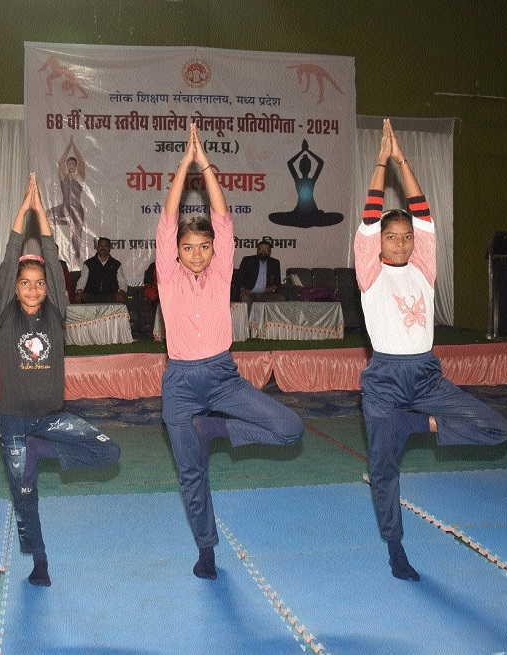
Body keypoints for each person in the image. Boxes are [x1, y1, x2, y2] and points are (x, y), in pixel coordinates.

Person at [356, 119, 507, 581]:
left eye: (406, 238)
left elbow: (423, 213)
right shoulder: (370, 273)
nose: (401, 243)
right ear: (379, 243)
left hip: (425, 377)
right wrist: (382, 163)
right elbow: (369, 216)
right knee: (382, 470)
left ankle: (417, 422)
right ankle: (396, 548)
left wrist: (403, 160)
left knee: (496, 429)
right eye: (391, 237)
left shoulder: (424, 268)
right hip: (383, 379)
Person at [157, 124, 305, 579]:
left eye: (204, 247)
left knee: (290, 428)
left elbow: (222, 217)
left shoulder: (222, 271)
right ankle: (206, 549)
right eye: (189, 247)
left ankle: (217, 432)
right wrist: (185, 166)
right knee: (191, 475)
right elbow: (168, 217)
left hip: (222, 378)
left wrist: (207, 168)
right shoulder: (168, 272)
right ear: (176, 252)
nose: (198, 254)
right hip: (180, 384)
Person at [0, 173, 121, 587]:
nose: (32, 289)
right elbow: (13, 252)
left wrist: (40, 217)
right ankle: (40, 561)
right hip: (14, 422)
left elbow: (49, 255)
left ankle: (44, 450)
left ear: (49, 290)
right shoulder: (6, 316)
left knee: (108, 452)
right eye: (24, 284)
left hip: (50, 419)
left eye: (39, 284)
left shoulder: (55, 314)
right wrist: (25, 210)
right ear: (14, 289)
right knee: (24, 495)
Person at [48, 136, 86, 268]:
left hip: (76, 209)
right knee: (45, 216)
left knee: (77, 233)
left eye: (73, 164)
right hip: (64, 207)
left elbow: (82, 161)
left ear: (75, 166)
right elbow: (60, 162)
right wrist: (67, 145)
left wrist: (73, 145)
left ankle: (76, 257)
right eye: (69, 163)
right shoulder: (63, 178)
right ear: (67, 165)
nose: (71, 165)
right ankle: (67, 221)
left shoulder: (79, 178)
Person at [75, 237, 128, 303]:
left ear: (109, 249)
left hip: (111, 298)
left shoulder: (116, 264)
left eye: (106, 245)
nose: (103, 247)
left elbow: (122, 280)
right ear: (97, 248)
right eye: (101, 245)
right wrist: (79, 290)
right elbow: (83, 279)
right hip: (91, 297)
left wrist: (122, 291)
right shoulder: (88, 263)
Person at [236, 238, 284, 303]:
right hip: (250, 293)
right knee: (244, 297)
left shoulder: (275, 263)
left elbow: (277, 281)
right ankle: (250, 313)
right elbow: (239, 277)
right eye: (261, 249)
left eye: (266, 250)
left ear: (270, 252)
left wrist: (273, 288)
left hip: (266, 294)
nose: (263, 252)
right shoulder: (248, 260)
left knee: (281, 298)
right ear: (257, 251)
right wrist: (243, 289)